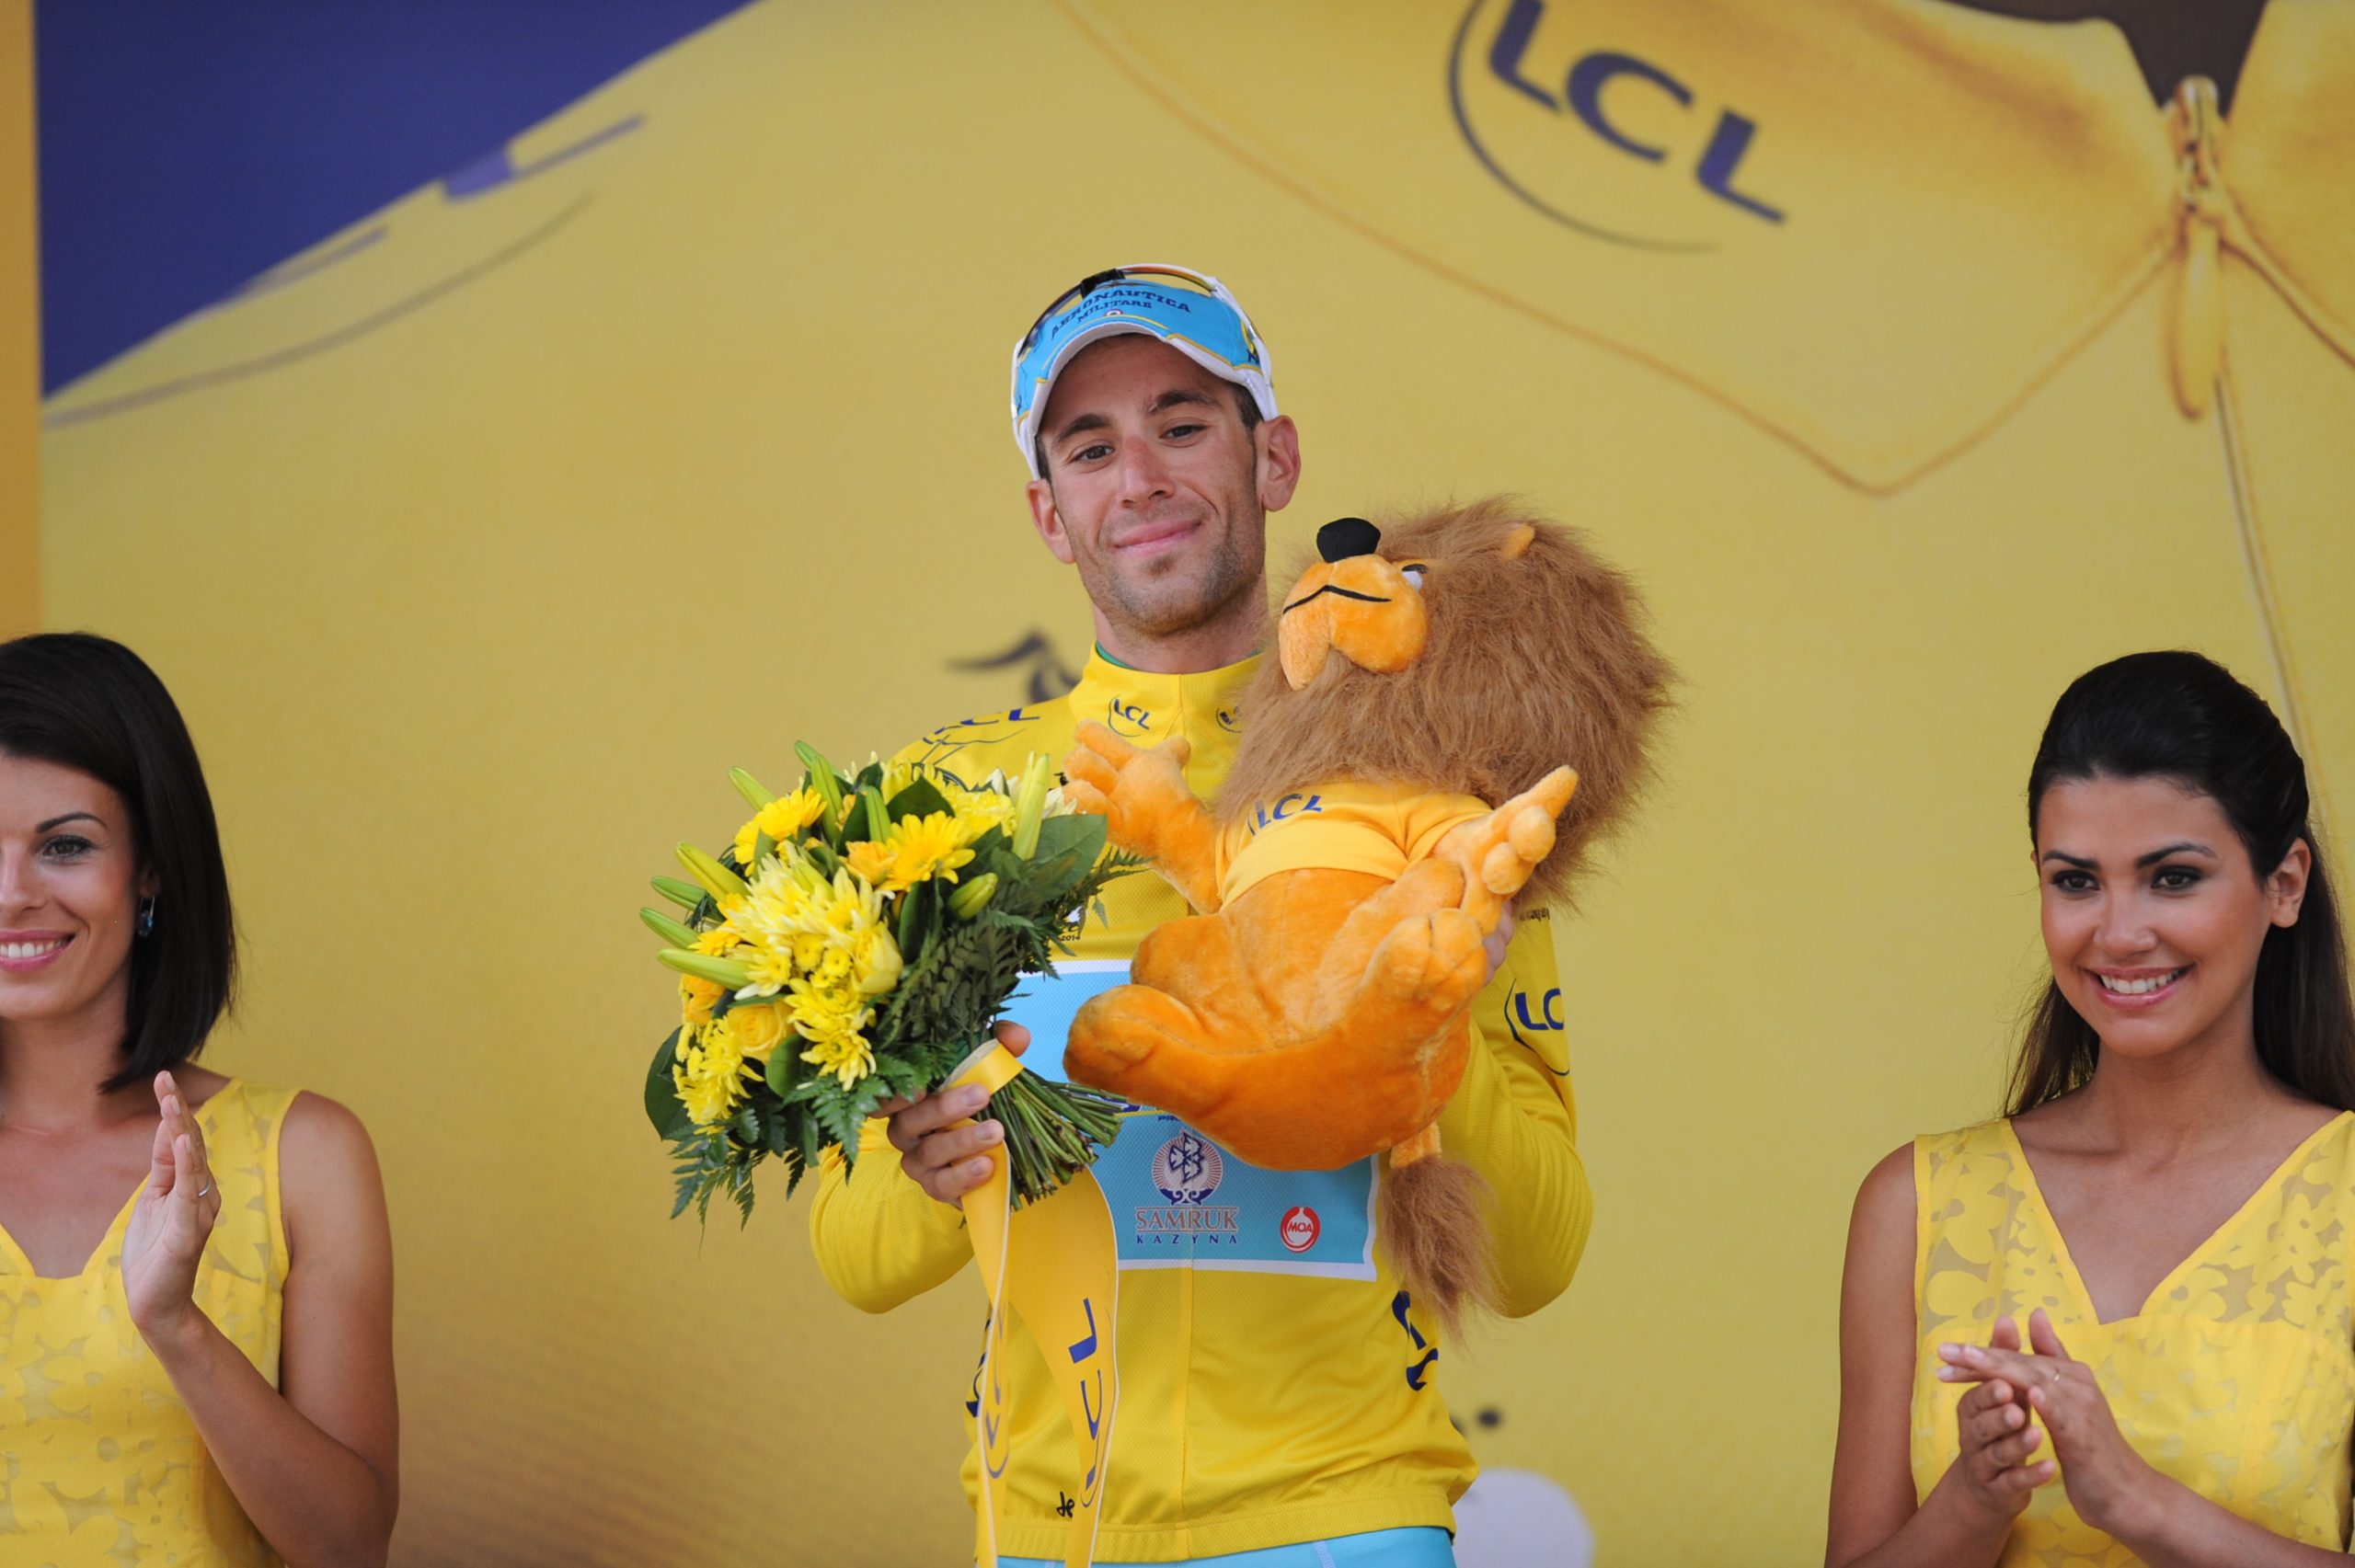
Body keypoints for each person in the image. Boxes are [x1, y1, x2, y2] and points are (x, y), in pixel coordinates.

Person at [807, 266, 1594, 1565]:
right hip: (1051, 1527)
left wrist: (1425, 1017)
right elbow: (858, 1255)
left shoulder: (1429, 786)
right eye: (1092, 446)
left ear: (1272, 457)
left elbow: (1539, 1254)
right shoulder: (941, 807)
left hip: (1344, 1516)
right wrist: (925, 1161)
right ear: (1049, 514)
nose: (1142, 478)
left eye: (1183, 425)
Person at [1825, 649, 2355, 1566]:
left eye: (2172, 876)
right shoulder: (1912, 1203)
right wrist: (1974, 1498)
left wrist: (2137, 1501)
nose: (2116, 932)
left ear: (2284, 882)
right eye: (2075, 880)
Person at [0, 633, 398, 1566]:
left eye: (63, 845)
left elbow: (349, 1548)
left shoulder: (305, 1153)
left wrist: (176, 1324)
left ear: (151, 868)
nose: (10, 892)